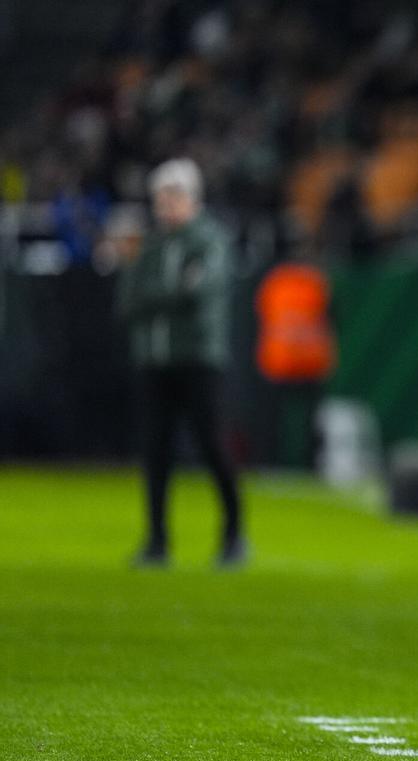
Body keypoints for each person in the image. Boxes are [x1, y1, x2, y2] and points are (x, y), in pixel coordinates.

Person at [116, 158, 244, 568]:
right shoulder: (153, 244)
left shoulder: (210, 240)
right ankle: (157, 541)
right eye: (160, 197)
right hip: (155, 359)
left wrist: (159, 295)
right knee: (155, 451)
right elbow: (128, 302)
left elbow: (197, 295)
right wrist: (169, 292)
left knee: (212, 446)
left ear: (193, 198)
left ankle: (233, 535)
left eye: (173, 196)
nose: (165, 205)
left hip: (198, 358)